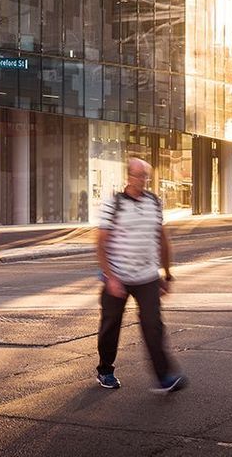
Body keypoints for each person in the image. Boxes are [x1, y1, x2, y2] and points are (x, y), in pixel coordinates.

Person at [94, 157, 185, 394]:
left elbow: (162, 239)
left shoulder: (154, 202)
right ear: (128, 177)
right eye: (138, 175)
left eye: (145, 176)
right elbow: (100, 244)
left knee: (153, 325)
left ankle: (164, 377)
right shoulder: (113, 204)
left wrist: (167, 274)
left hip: (147, 276)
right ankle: (105, 369)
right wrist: (110, 276)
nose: (142, 180)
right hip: (118, 276)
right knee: (110, 326)